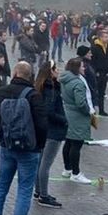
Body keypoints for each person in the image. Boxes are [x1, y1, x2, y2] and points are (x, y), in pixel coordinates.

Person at [0, 61, 49, 215]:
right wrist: (38, 145)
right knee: (24, 191)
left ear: (15, 72)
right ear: (30, 76)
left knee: (1, 186)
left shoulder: (0, 92)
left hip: (6, 147)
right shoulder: (34, 96)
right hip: (28, 150)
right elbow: (42, 124)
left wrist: (4, 135)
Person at [37, 60, 73, 206]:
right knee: (46, 164)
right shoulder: (50, 88)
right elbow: (49, 111)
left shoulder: (41, 86)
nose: (58, 71)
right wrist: (64, 120)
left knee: (41, 162)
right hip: (53, 131)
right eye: (55, 69)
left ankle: (39, 190)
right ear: (49, 71)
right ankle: (43, 195)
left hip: (45, 129)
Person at [90, 29, 108, 116]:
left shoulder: (107, 47)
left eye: (107, 37)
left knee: (101, 92)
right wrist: (95, 72)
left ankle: (102, 110)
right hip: (97, 73)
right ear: (100, 37)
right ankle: (92, 109)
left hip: (105, 73)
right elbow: (92, 61)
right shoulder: (95, 47)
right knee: (94, 91)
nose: (107, 38)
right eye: (105, 37)